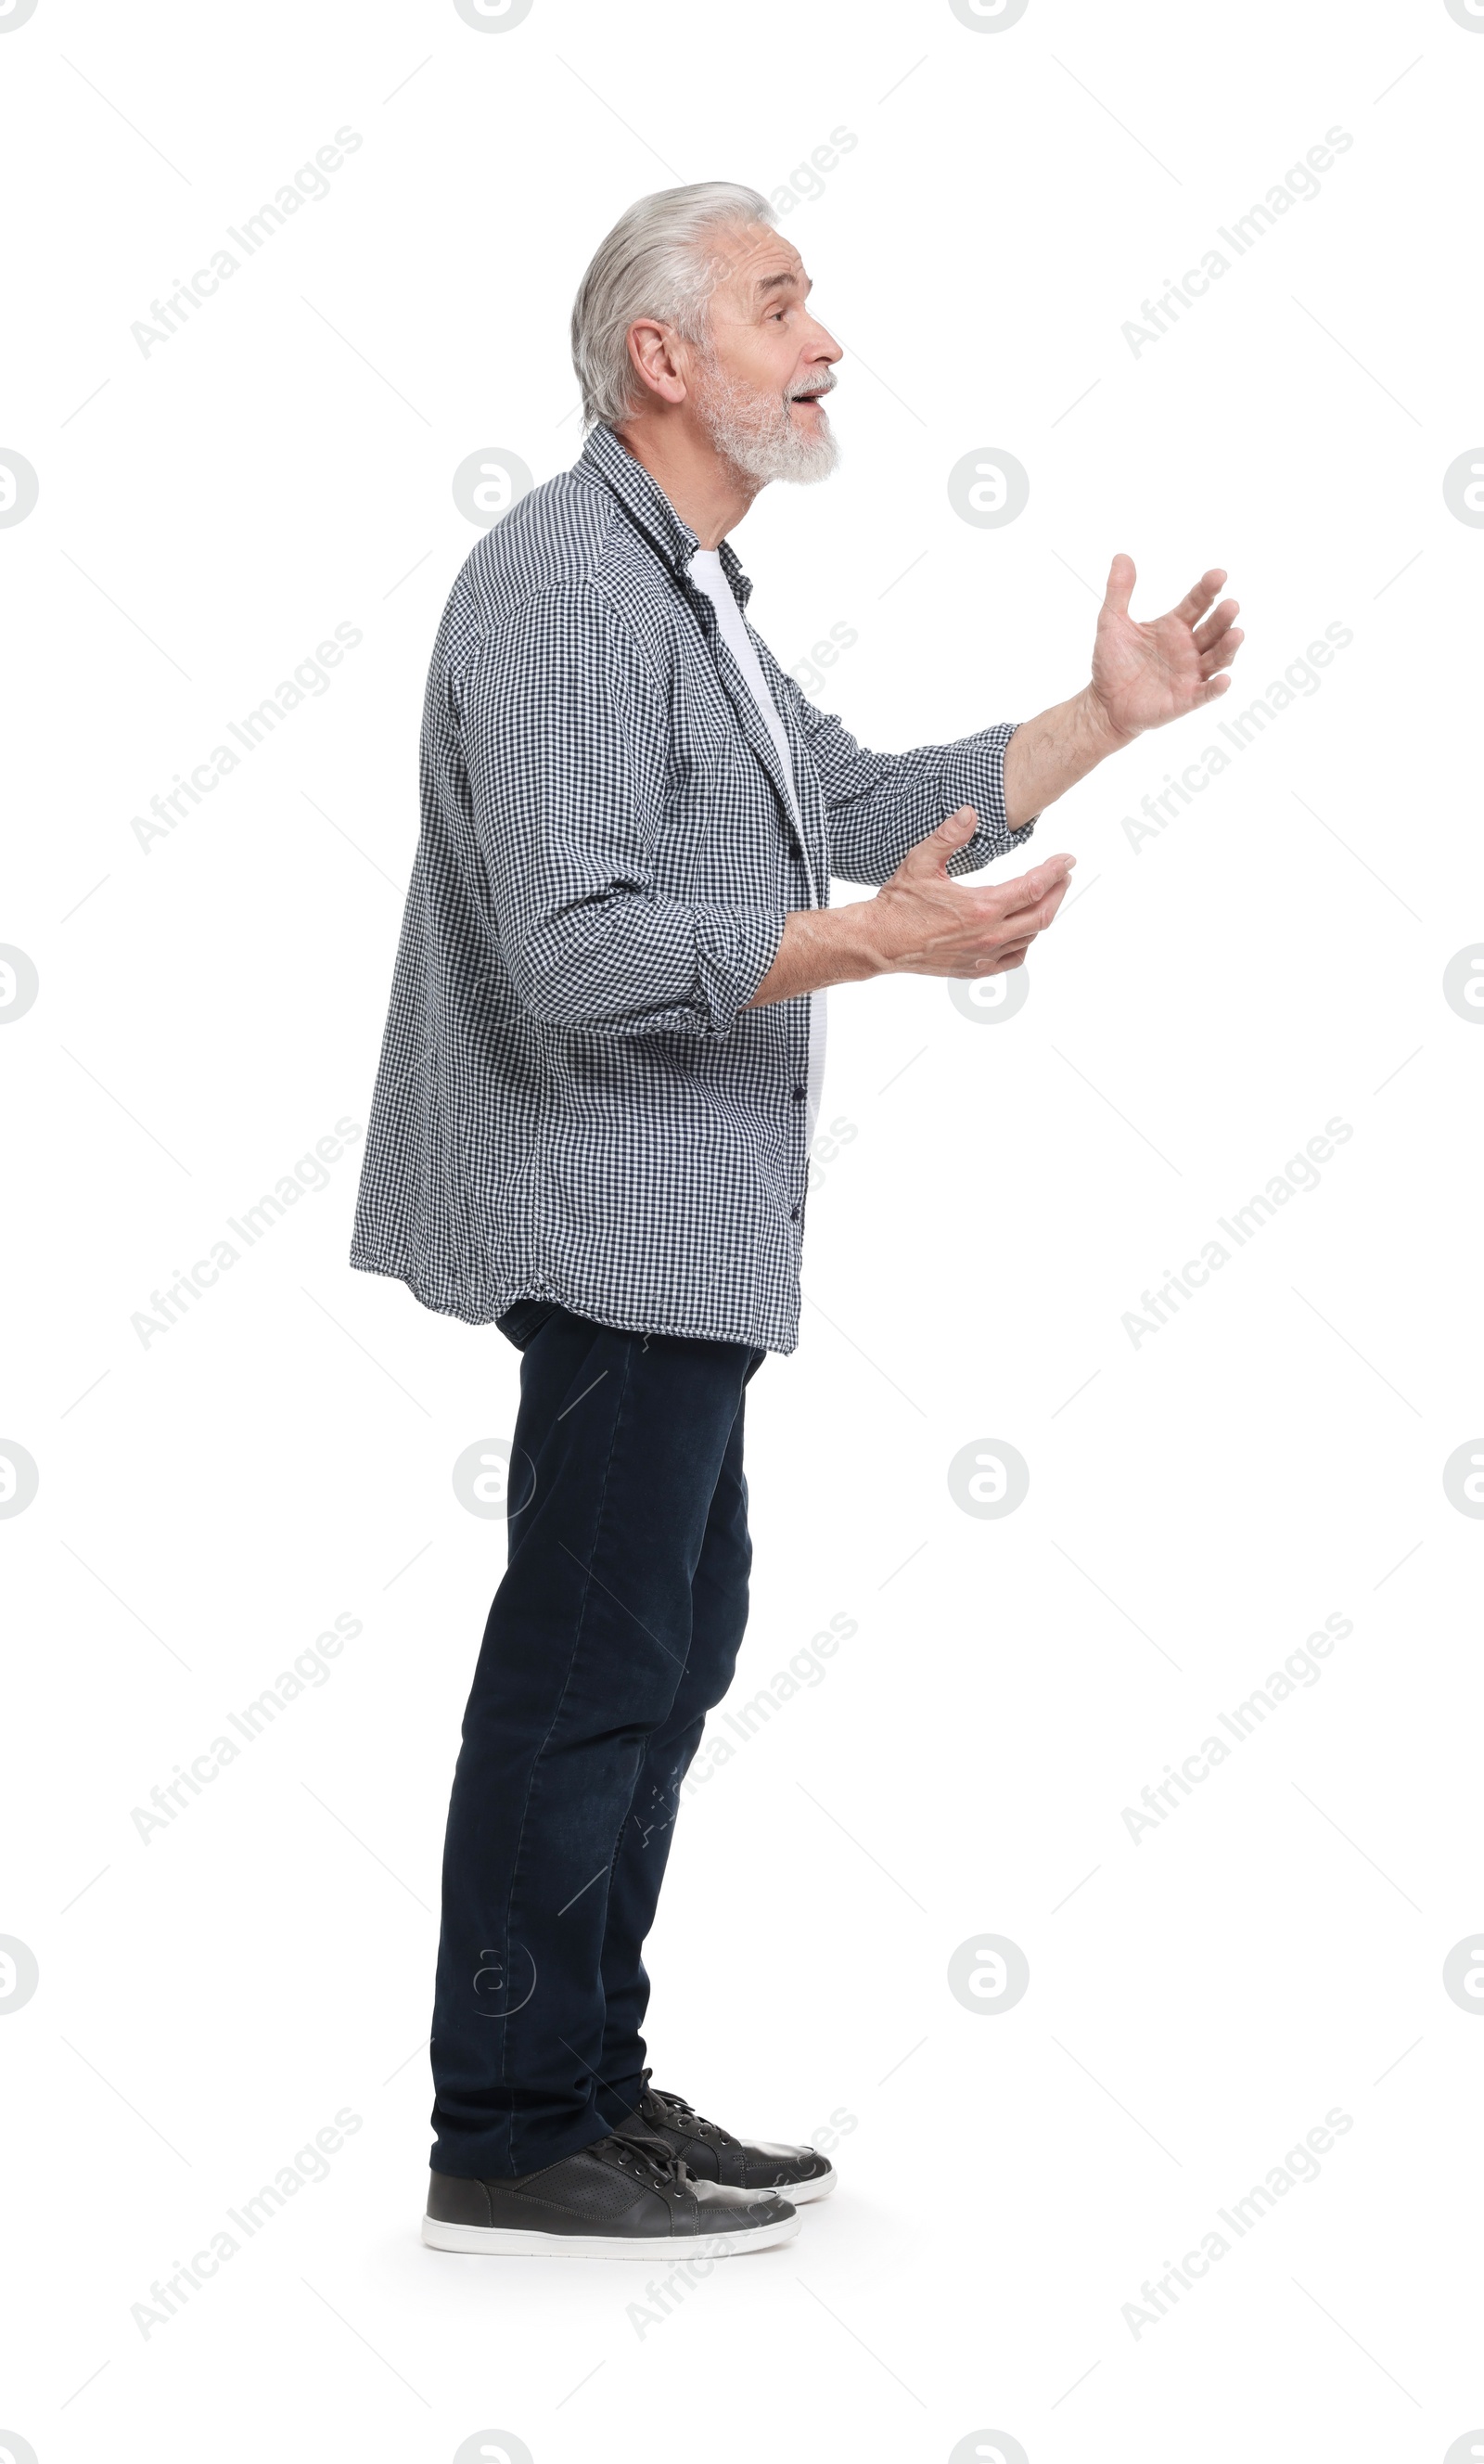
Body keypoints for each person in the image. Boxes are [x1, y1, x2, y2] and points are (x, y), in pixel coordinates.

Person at [349, 180, 1244, 2259]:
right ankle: (505, 2120)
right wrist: (879, 948)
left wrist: (1100, 720)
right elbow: (580, 953)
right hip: (607, 1227)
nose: (820, 332)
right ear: (664, 359)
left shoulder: (691, 591)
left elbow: (848, 804)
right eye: (776, 302)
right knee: (585, 1673)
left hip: (687, 1245)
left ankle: (583, 2079)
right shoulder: (572, 583)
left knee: (657, 1654)